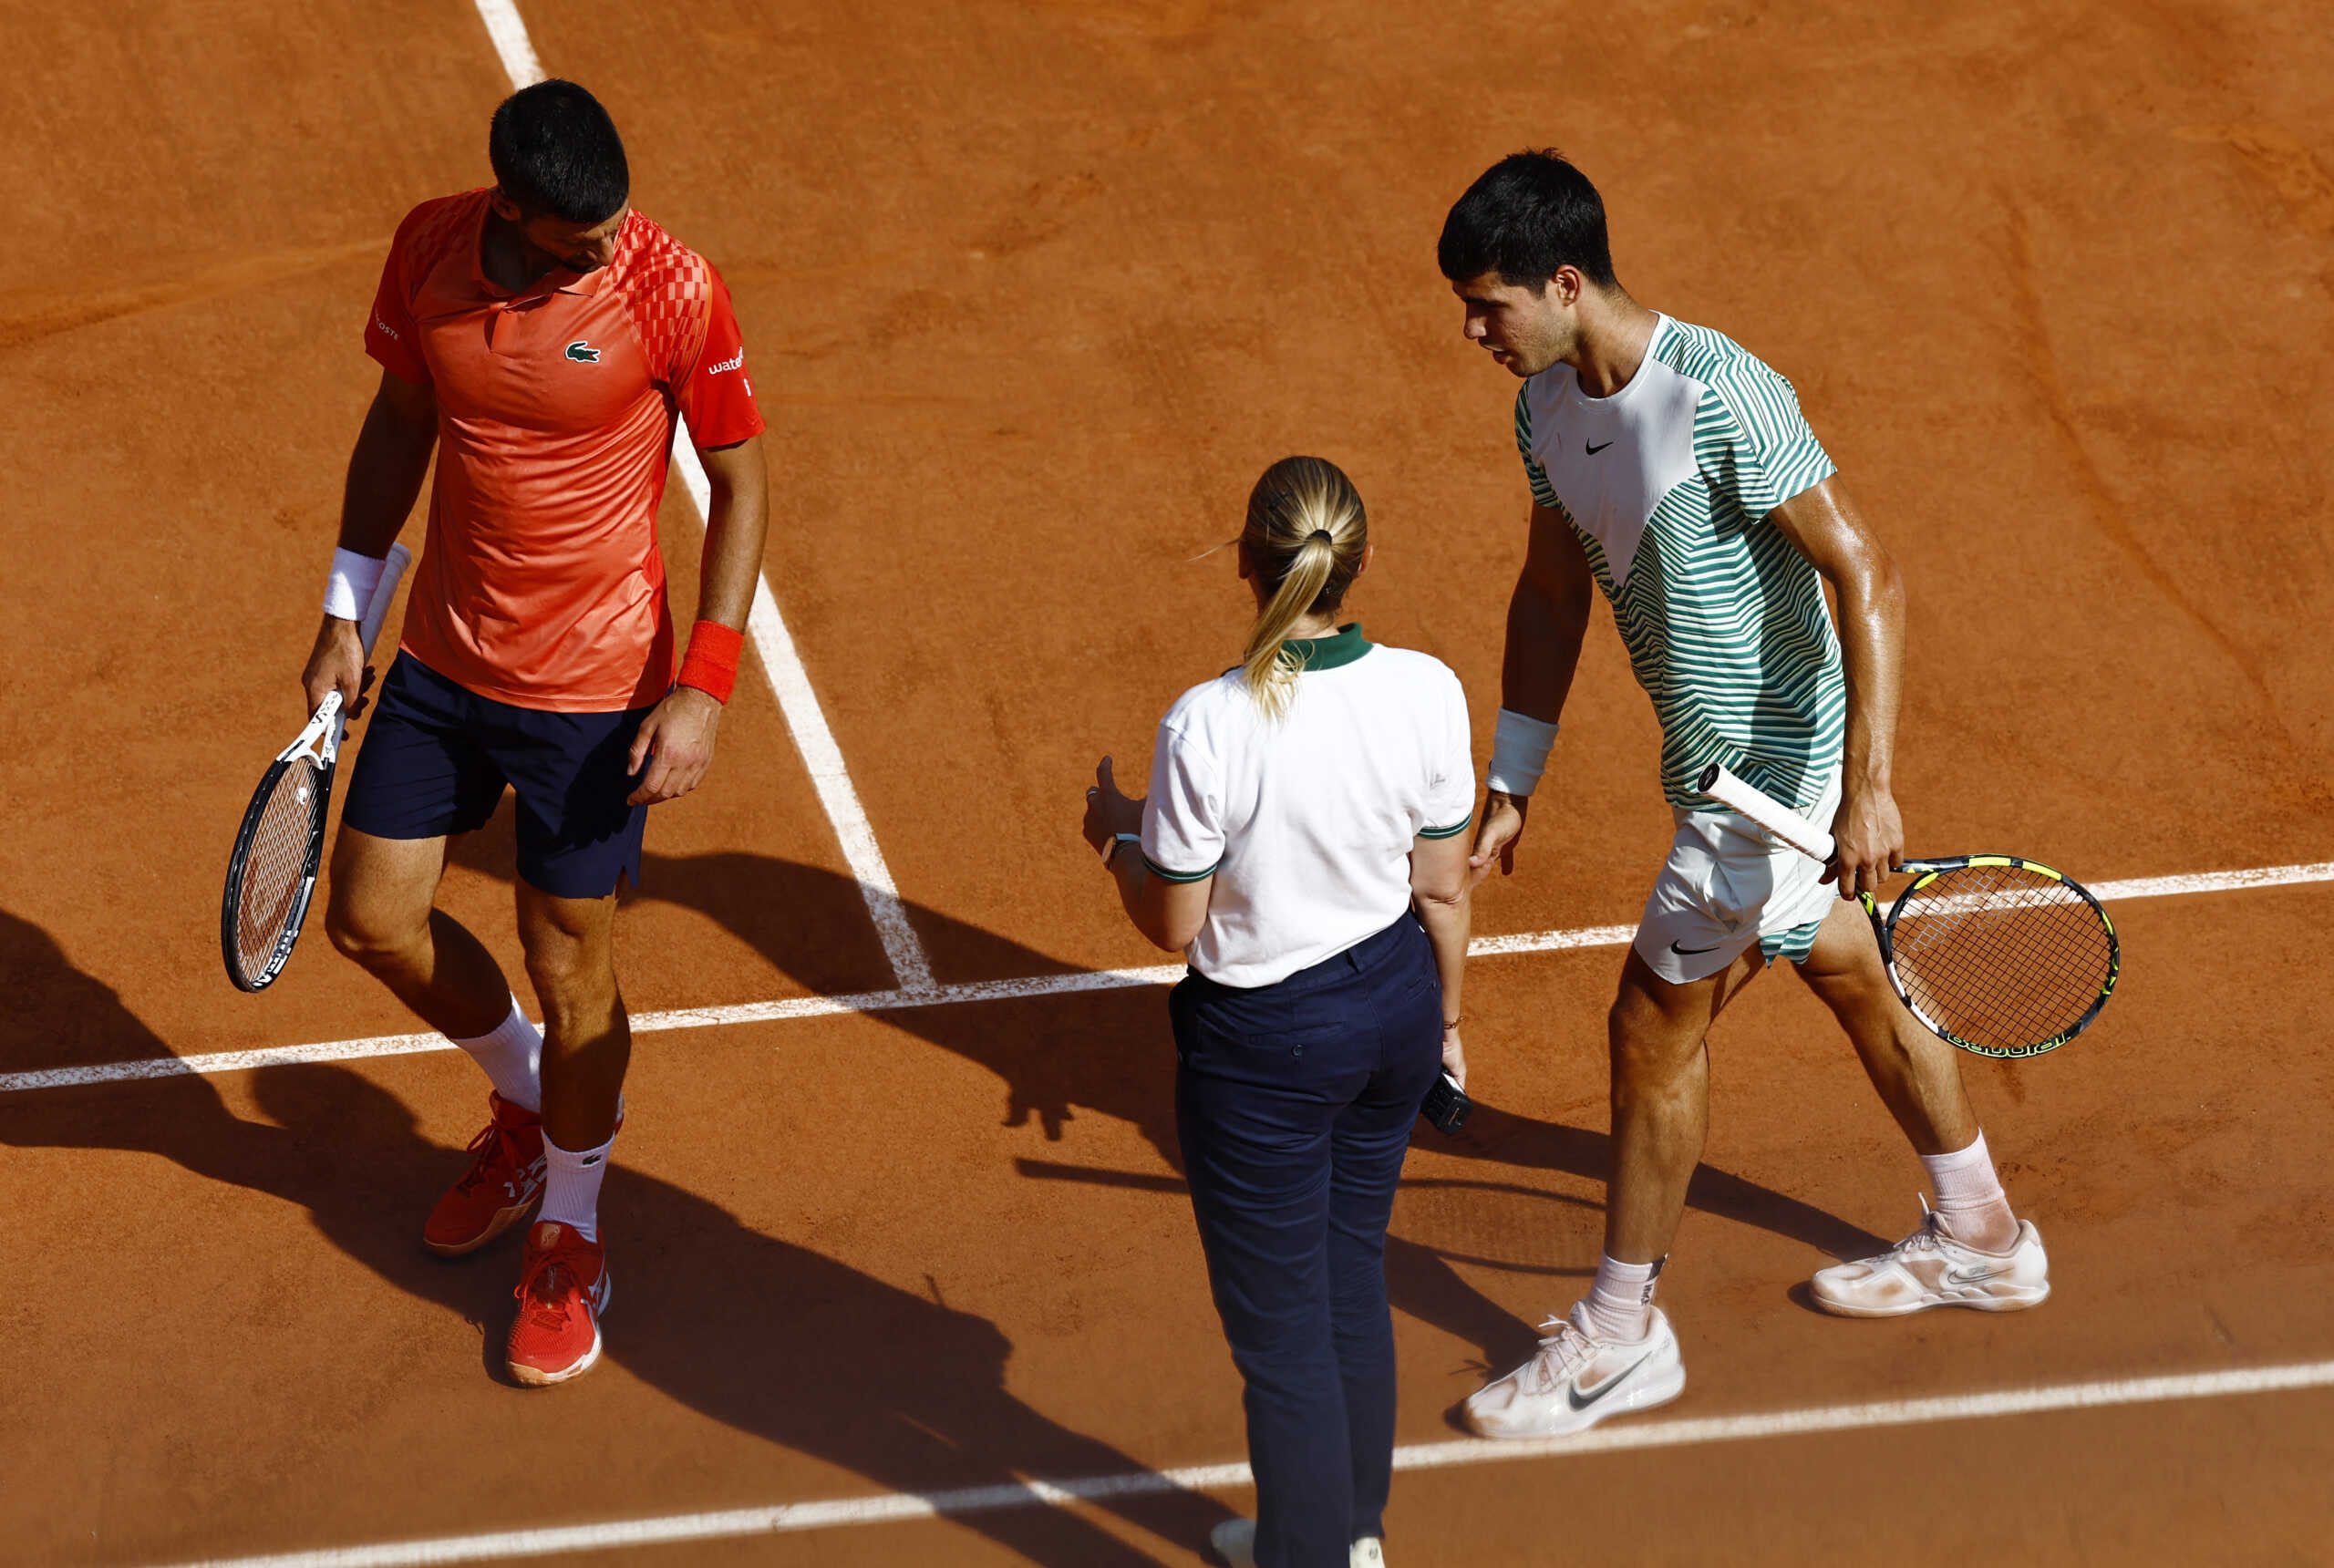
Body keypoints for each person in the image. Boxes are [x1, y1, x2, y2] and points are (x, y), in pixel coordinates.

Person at [1437, 151, 2049, 1439]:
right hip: (1706, 763)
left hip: (1779, 779)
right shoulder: (1544, 408)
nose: (1474, 331)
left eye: (1491, 305)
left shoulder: (1722, 390)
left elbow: (1867, 575)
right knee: (1849, 969)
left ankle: (1618, 1334)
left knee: (1650, 1029)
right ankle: (1985, 1234)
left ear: (1563, 281)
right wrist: (1515, 775)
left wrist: (1866, 791)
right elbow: (1553, 592)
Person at [302, 80, 768, 1387]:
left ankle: (570, 1221)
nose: (614, 245)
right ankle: (529, 1099)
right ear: (515, 209)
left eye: (619, 219)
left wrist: (707, 684)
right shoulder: (431, 248)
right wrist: (351, 605)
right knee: (370, 919)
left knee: (573, 971)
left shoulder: (670, 287)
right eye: (585, 234)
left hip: (596, 689)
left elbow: (741, 477)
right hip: (446, 657)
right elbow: (401, 421)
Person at [1081, 457, 1473, 1568]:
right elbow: (1440, 888)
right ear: (1355, 564)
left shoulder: (1209, 721)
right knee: (1350, 1271)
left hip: (1265, 1051)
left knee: (1283, 1337)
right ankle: (1345, 1537)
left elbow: (1171, 925)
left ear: (1248, 562)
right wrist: (1444, 1024)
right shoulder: (1427, 688)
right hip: (1395, 1007)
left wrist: (1117, 833)